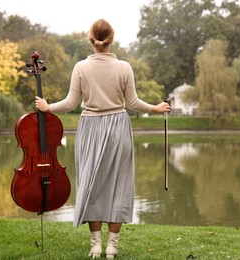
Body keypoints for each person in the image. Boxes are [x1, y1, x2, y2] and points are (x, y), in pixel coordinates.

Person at [35, 19, 171, 259]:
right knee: (119, 184)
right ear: (111, 39)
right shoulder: (124, 67)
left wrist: (47, 107)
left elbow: (69, 104)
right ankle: (112, 245)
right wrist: (155, 108)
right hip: (118, 126)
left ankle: (95, 245)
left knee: (91, 184)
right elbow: (133, 103)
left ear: (91, 39)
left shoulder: (80, 67)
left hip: (90, 128)